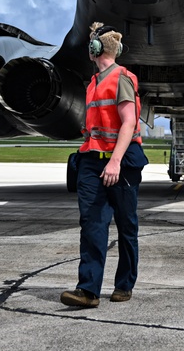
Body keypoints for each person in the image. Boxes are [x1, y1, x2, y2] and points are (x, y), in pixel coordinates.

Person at [61, 22, 149, 308]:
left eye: (91, 43)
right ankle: (88, 290)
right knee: (92, 225)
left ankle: (124, 284)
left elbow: (129, 123)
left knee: (126, 226)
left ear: (95, 48)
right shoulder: (93, 84)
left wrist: (114, 163)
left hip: (119, 163)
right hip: (91, 161)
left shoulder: (121, 77)